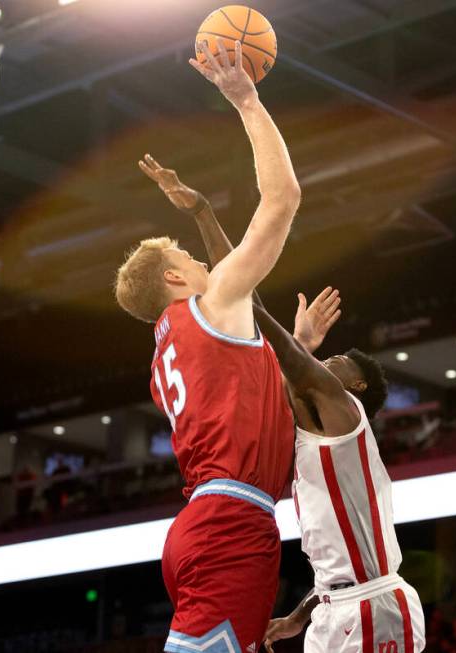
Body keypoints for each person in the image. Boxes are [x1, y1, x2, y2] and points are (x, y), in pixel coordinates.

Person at [137, 158, 425, 652]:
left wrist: (244, 296)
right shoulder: (303, 431)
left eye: (331, 362)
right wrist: (298, 615)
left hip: (372, 606)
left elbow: (270, 334)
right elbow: (340, 567)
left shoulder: (341, 412)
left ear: (351, 388)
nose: (319, 365)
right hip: (334, 607)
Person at [114, 38, 301, 653]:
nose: (200, 263)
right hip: (229, 524)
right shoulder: (210, 307)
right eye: (188, 259)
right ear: (173, 279)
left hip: (204, 521)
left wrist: (198, 212)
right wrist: (247, 102)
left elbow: (237, 322)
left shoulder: (167, 350)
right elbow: (282, 201)